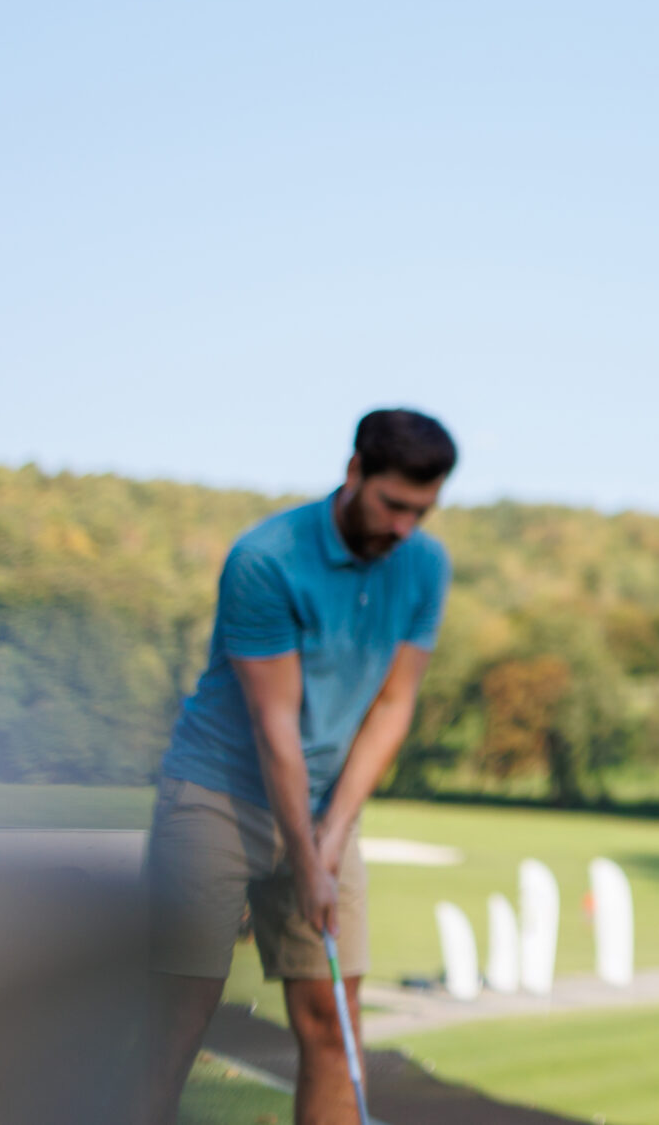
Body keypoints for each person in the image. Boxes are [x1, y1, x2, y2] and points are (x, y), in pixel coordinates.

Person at [136, 409, 457, 1125]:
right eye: (393, 505)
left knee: (331, 1023)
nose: (405, 527)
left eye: (422, 511)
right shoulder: (266, 559)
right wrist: (308, 860)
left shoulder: (425, 564)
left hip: (325, 804)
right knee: (179, 1017)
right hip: (216, 794)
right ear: (353, 472)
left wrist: (331, 839)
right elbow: (275, 726)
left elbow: (393, 706)